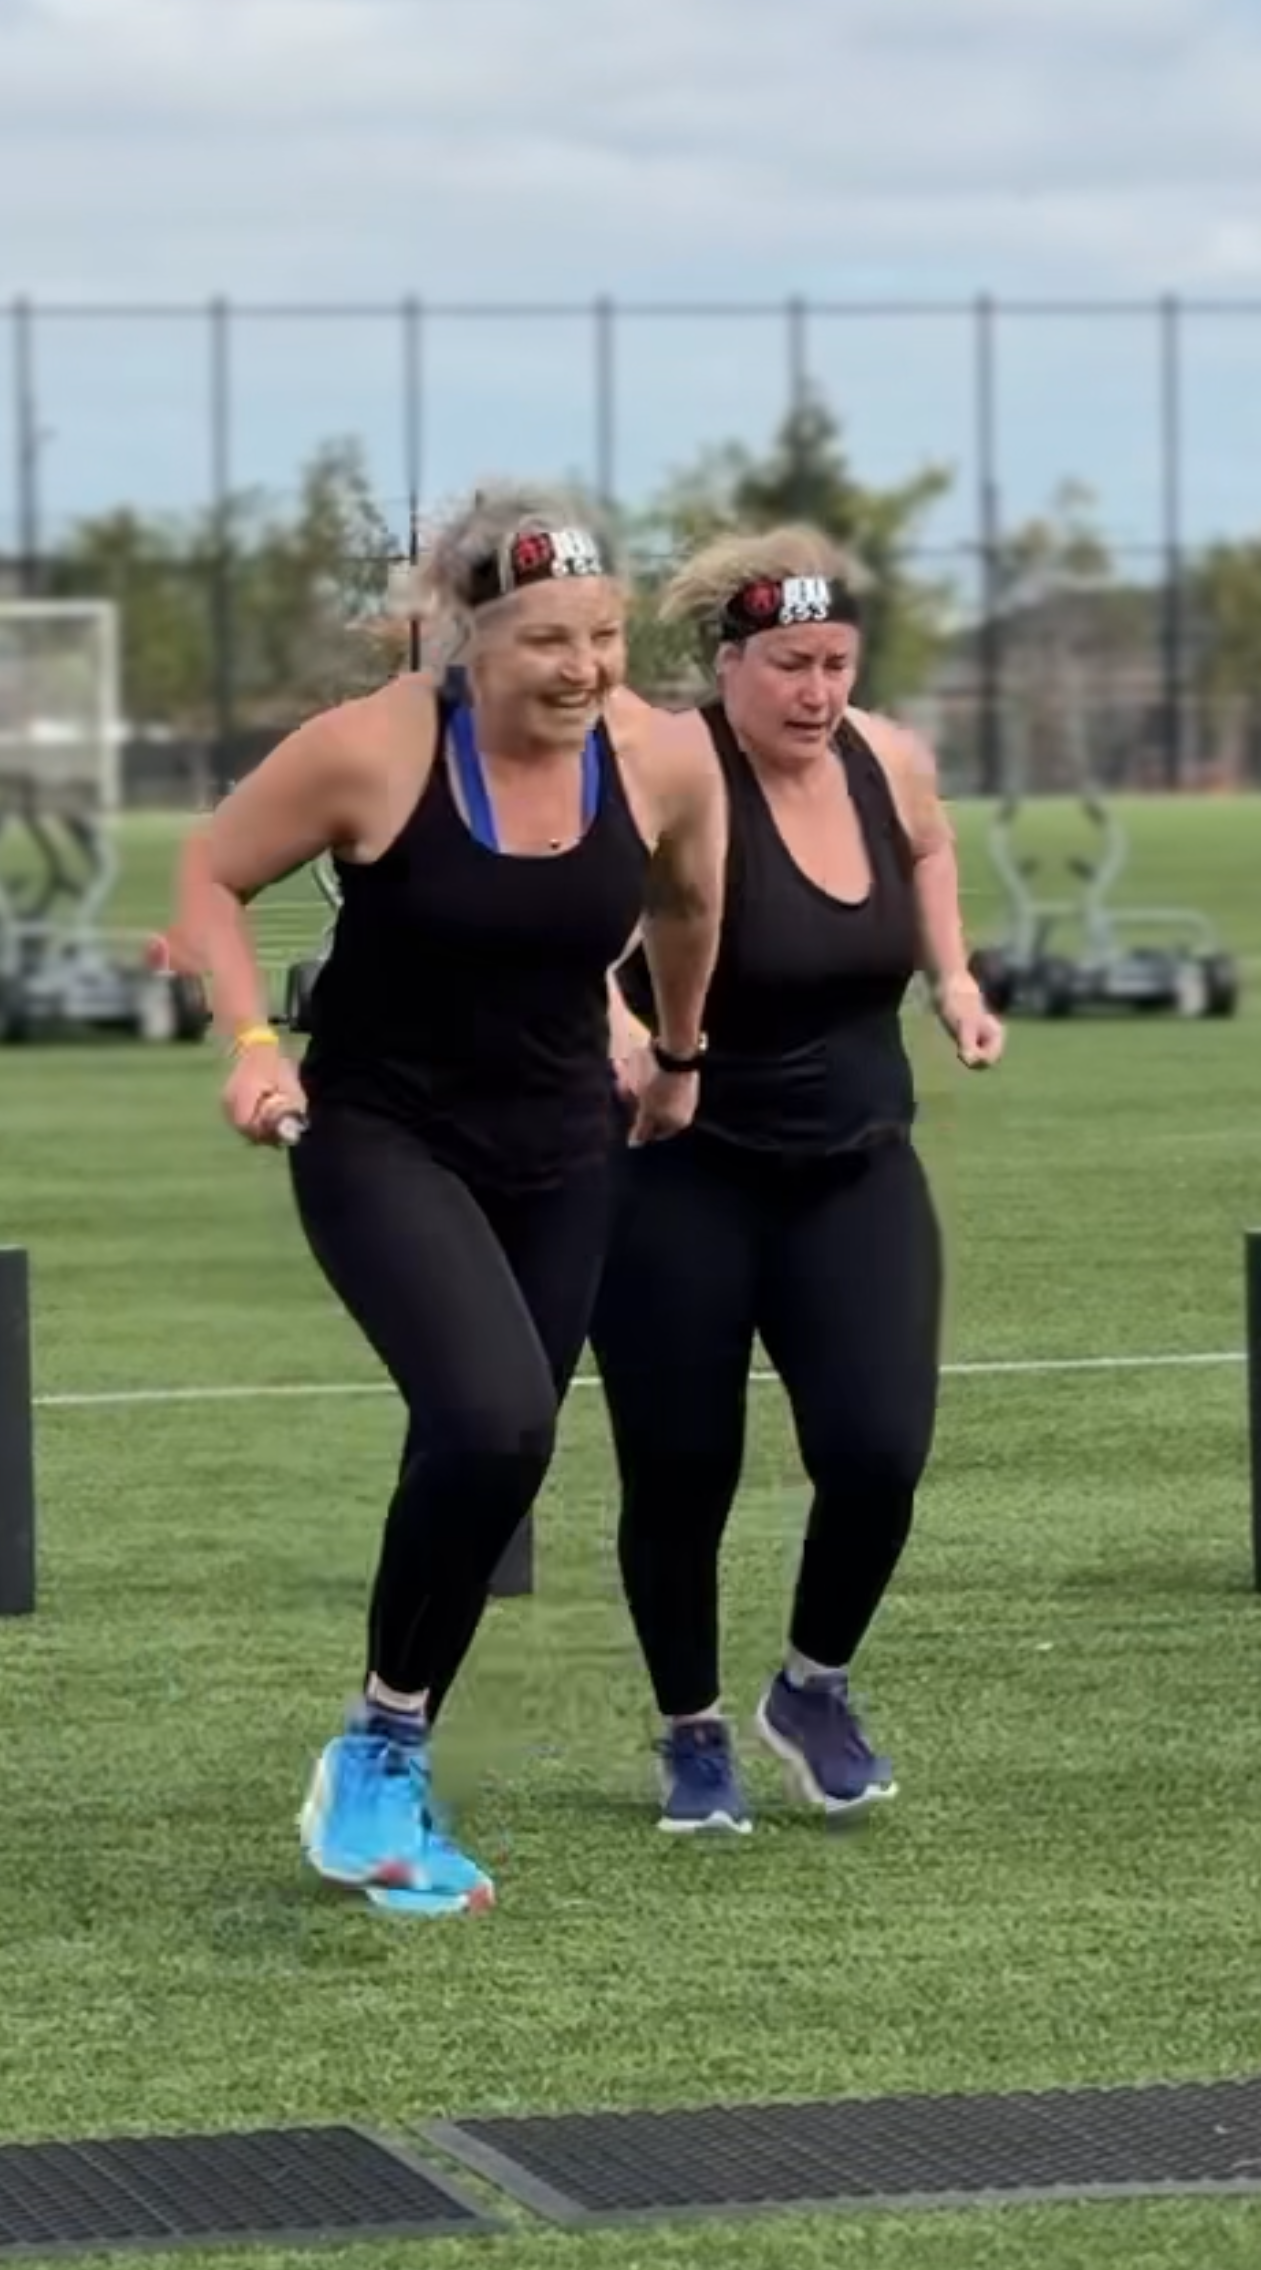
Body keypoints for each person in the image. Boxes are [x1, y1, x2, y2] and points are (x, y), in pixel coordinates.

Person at [172, 485, 723, 1919]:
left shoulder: (658, 758)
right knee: (492, 1414)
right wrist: (248, 1047)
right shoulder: (368, 750)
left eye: (603, 636)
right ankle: (374, 1765)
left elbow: (684, 904)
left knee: (496, 1452)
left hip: (559, 1139)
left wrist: (671, 1051)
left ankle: (391, 1742)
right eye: (546, 640)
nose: (583, 668)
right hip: (378, 1127)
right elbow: (212, 875)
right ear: (463, 636)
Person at [591, 524, 1004, 1836]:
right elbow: (571, 943)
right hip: (676, 1171)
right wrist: (636, 1052)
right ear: (728, 664)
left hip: (854, 1169)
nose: (815, 692)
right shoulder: (660, 768)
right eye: (787, 666)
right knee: (680, 1466)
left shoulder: (886, 760)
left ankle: (812, 1687)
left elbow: (930, 850)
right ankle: (690, 1730)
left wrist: (950, 977)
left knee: (878, 1451)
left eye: (834, 663)